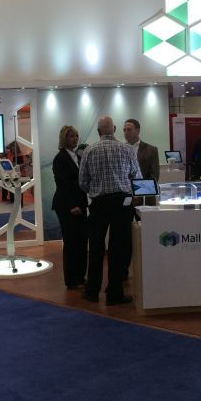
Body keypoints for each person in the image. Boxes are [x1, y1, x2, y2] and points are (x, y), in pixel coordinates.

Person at [78, 115, 140, 305]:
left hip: (98, 204)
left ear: (98, 132)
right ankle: (114, 293)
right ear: (114, 129)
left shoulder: (89, 151)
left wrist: (95, 191)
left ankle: (92, 291)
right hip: (122, 203)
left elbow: (82, 182)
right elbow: (137, 177)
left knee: (96, 248)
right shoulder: (127, 149)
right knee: (118, 249)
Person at [52, 125, 88, 289]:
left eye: (76, 136)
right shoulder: (60, 158)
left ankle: (80, 276)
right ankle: (71, 280)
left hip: (81, 203)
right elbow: (62, 184)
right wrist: (72, 205)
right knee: (72, 242)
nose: (75, 139)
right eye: (71, 136)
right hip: (67, 206)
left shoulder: (78, 157)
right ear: (64, 138)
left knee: (82, 241)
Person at [123, 118, 159, 206]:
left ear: (138, 131)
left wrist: (138, 192)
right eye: (124, 130)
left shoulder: (151, 150)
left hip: (146, 198)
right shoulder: (119, 150)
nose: (126, 132)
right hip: (125, 197)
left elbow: (154, 175)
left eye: (129, 130)